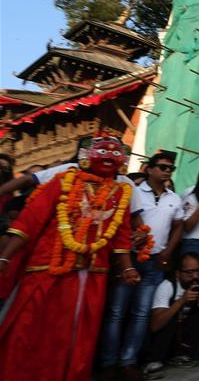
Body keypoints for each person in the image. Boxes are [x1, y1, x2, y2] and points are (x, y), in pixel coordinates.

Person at [0, 133, 139, 381]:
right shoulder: (63, 180)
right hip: (48, 269)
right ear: (86, 155)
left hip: (92, 276)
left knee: (78, 335)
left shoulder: (122, 192)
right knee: (31, 328)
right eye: (103, 150)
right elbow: (30, 221)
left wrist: (127, 268)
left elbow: (121, 237)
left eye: (116, 152)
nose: (110, 156)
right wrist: (5, 257)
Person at [100, 151, 185, 380]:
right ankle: (108, 363)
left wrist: (167, 251)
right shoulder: (133, 192)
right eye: (162, 167)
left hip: (156, 261)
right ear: (149, 168)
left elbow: (178, 226)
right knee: (117, 312)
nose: (167, 171)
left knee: (141, 314)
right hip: (129, 258)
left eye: (170, 168)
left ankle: (128, 362)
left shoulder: (174, 198)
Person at [144, 252, 199, 377]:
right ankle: (155, 361)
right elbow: (155, 325)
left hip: (187, 339)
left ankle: (186, 354)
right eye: (190, 273)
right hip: (166, 340)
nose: (195, 276)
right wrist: (181, 301)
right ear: (178, 273)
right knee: (169, 315)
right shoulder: (167, 286)